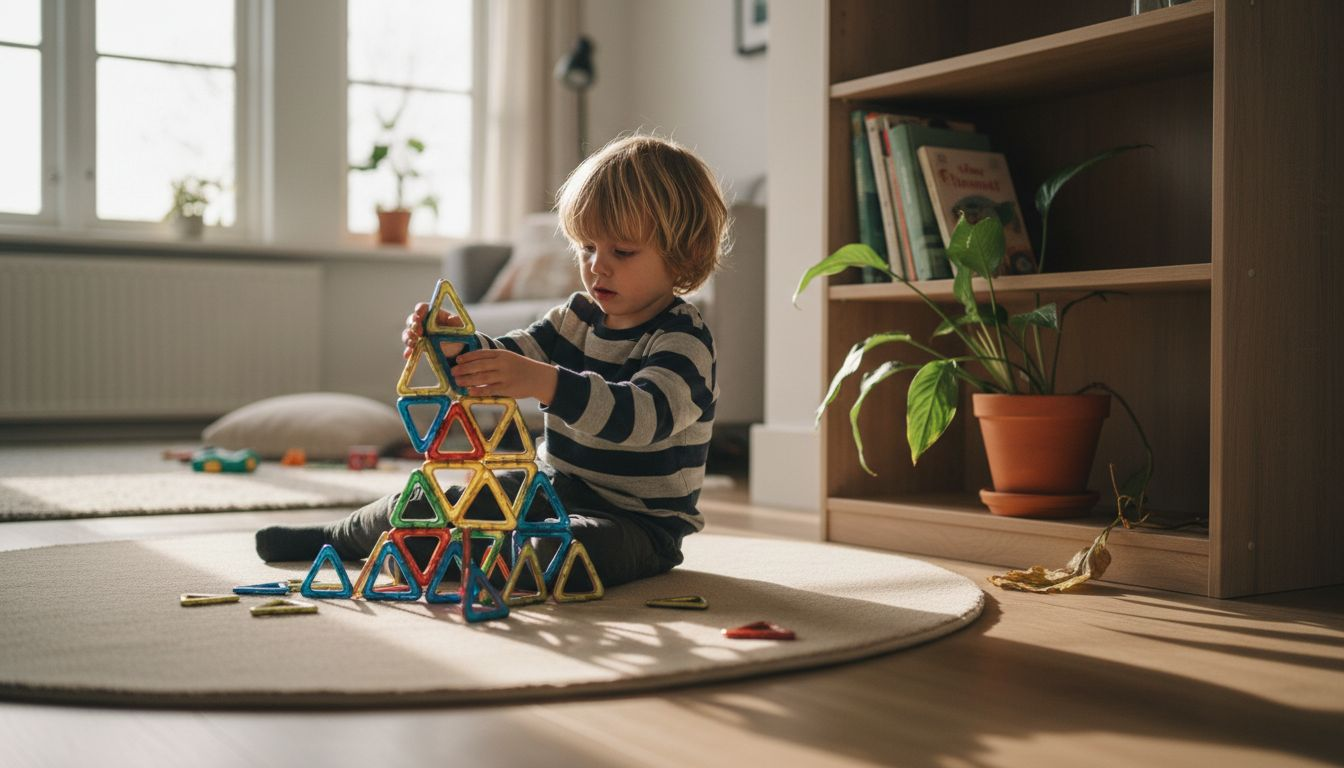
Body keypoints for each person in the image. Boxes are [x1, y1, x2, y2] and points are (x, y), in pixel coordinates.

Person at [256, 134, 729, 588]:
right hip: (549, 488)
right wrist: (453, 345)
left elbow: (640, 417)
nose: (596, 265)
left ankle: (451, 557)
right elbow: (506, 356)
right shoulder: (574, 318)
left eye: (622, 252)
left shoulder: (682, 338)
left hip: (638, 525)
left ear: (681, 255)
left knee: (560, 554)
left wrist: (546, 383)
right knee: (433, 496)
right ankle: (338, 538)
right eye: (587, 247)